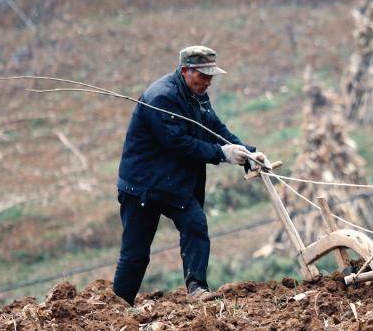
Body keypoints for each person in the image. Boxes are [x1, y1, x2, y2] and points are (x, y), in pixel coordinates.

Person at [112, 45, 263, 304]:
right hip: (142, 186)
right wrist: (222, 154)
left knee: (195, 224)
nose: (207, 82)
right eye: (202, 76)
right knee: (136, 254)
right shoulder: (161, 98)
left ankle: (196, 289)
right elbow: (179, 144)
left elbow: (214, 127)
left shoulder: (197, 94)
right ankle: (118, 306)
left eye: (210, 76)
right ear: (184, 70)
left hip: (173, 183)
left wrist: (249, 153)